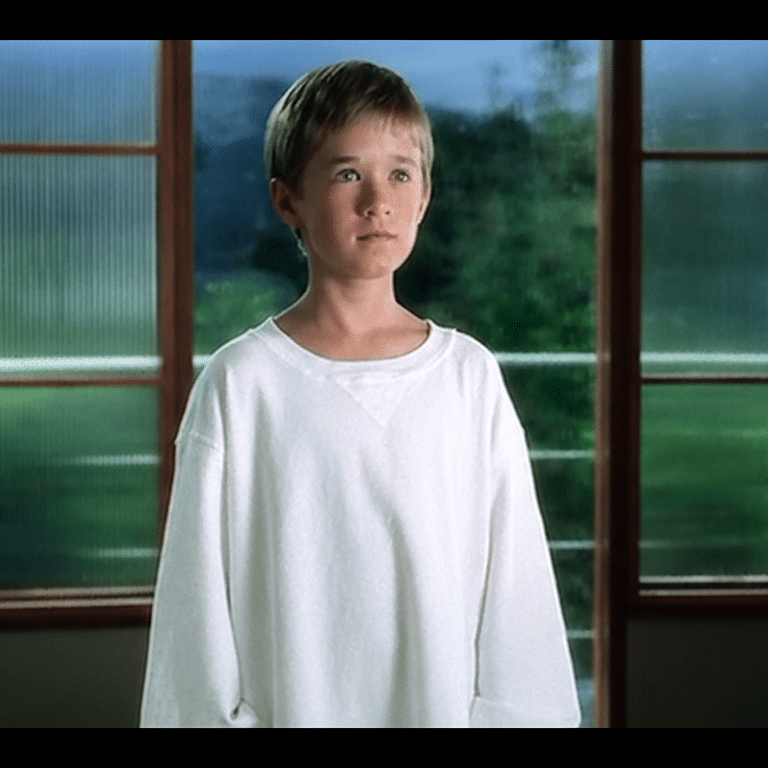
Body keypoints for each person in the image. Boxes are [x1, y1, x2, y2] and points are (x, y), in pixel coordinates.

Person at [139, 60, 580, 728]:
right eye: (348, 173)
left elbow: (518, 604)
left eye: (400, 173)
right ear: (289, 199)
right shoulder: (242, 386)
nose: (378, 200)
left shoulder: (467, 377)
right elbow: (192, 631)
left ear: (424, 195)